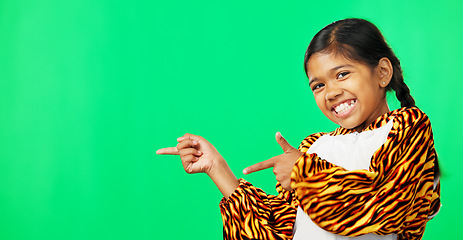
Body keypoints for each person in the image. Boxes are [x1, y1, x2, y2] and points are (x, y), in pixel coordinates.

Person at [156, 18, 441, 240]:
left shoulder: (408, 127)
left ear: (382, 72)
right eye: (318, 85)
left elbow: (383, 205)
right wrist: (217, 168)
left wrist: (303, 172)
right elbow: (279, 230)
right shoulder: (314, 147)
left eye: (342, 74)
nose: (330, 93)